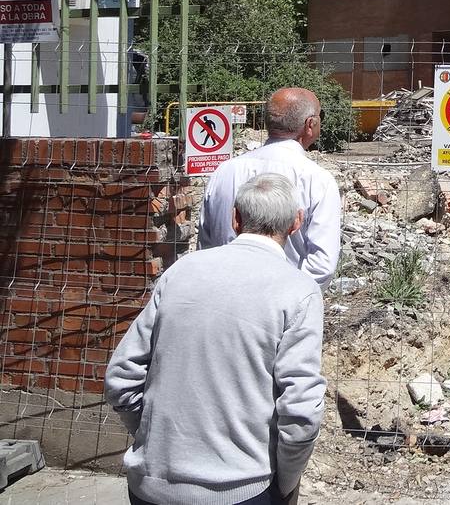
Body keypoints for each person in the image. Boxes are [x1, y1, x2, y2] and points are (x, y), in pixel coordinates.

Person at [106, 173, 326, 505]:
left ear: (235, 218)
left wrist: (153, 440)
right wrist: (286, 483)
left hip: (150, 486)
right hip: (242, 490)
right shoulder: (299, 291)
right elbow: (301, 413)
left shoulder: (180, 272)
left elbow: (121, 378)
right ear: (296, 223)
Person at [199, 87, 341, 290]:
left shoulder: (225, 171)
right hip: (283, 305)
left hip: (224, 294)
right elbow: (321, 265)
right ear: (310, 124)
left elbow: (206, 244)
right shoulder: (317, 180)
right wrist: (290, 300)